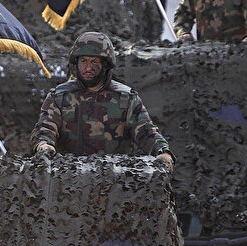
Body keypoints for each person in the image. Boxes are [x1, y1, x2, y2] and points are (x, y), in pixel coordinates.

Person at [31, 32, 174, 172]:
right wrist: (44, 145)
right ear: (76, 63)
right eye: (84, 61)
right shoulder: (59, 97)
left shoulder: (125, 98)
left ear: (105, 65)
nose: (88, 68)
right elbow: (45, 128)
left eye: (94, 62)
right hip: (70, 177)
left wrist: (162, 152)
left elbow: (145, 131)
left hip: (115, 178)